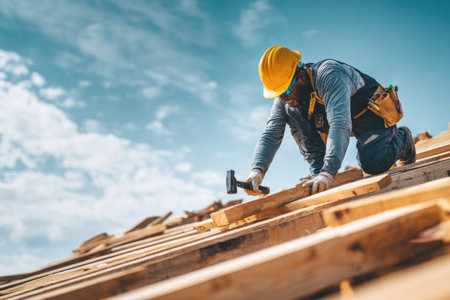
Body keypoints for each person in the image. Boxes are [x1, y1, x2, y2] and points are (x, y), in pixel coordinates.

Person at [244, 46, 416, 196]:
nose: (284, 97)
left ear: (301, 75)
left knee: (372, 164)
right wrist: (256, 172)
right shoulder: (286, 98)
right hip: (341, 118)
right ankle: (318, 170)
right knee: (291, 110)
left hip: (368, 115)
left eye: (286, 90)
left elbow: (340, 122)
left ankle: (403, 140)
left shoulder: (329, 74)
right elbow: (270, 134)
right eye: (279, 93)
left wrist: (329, 171)